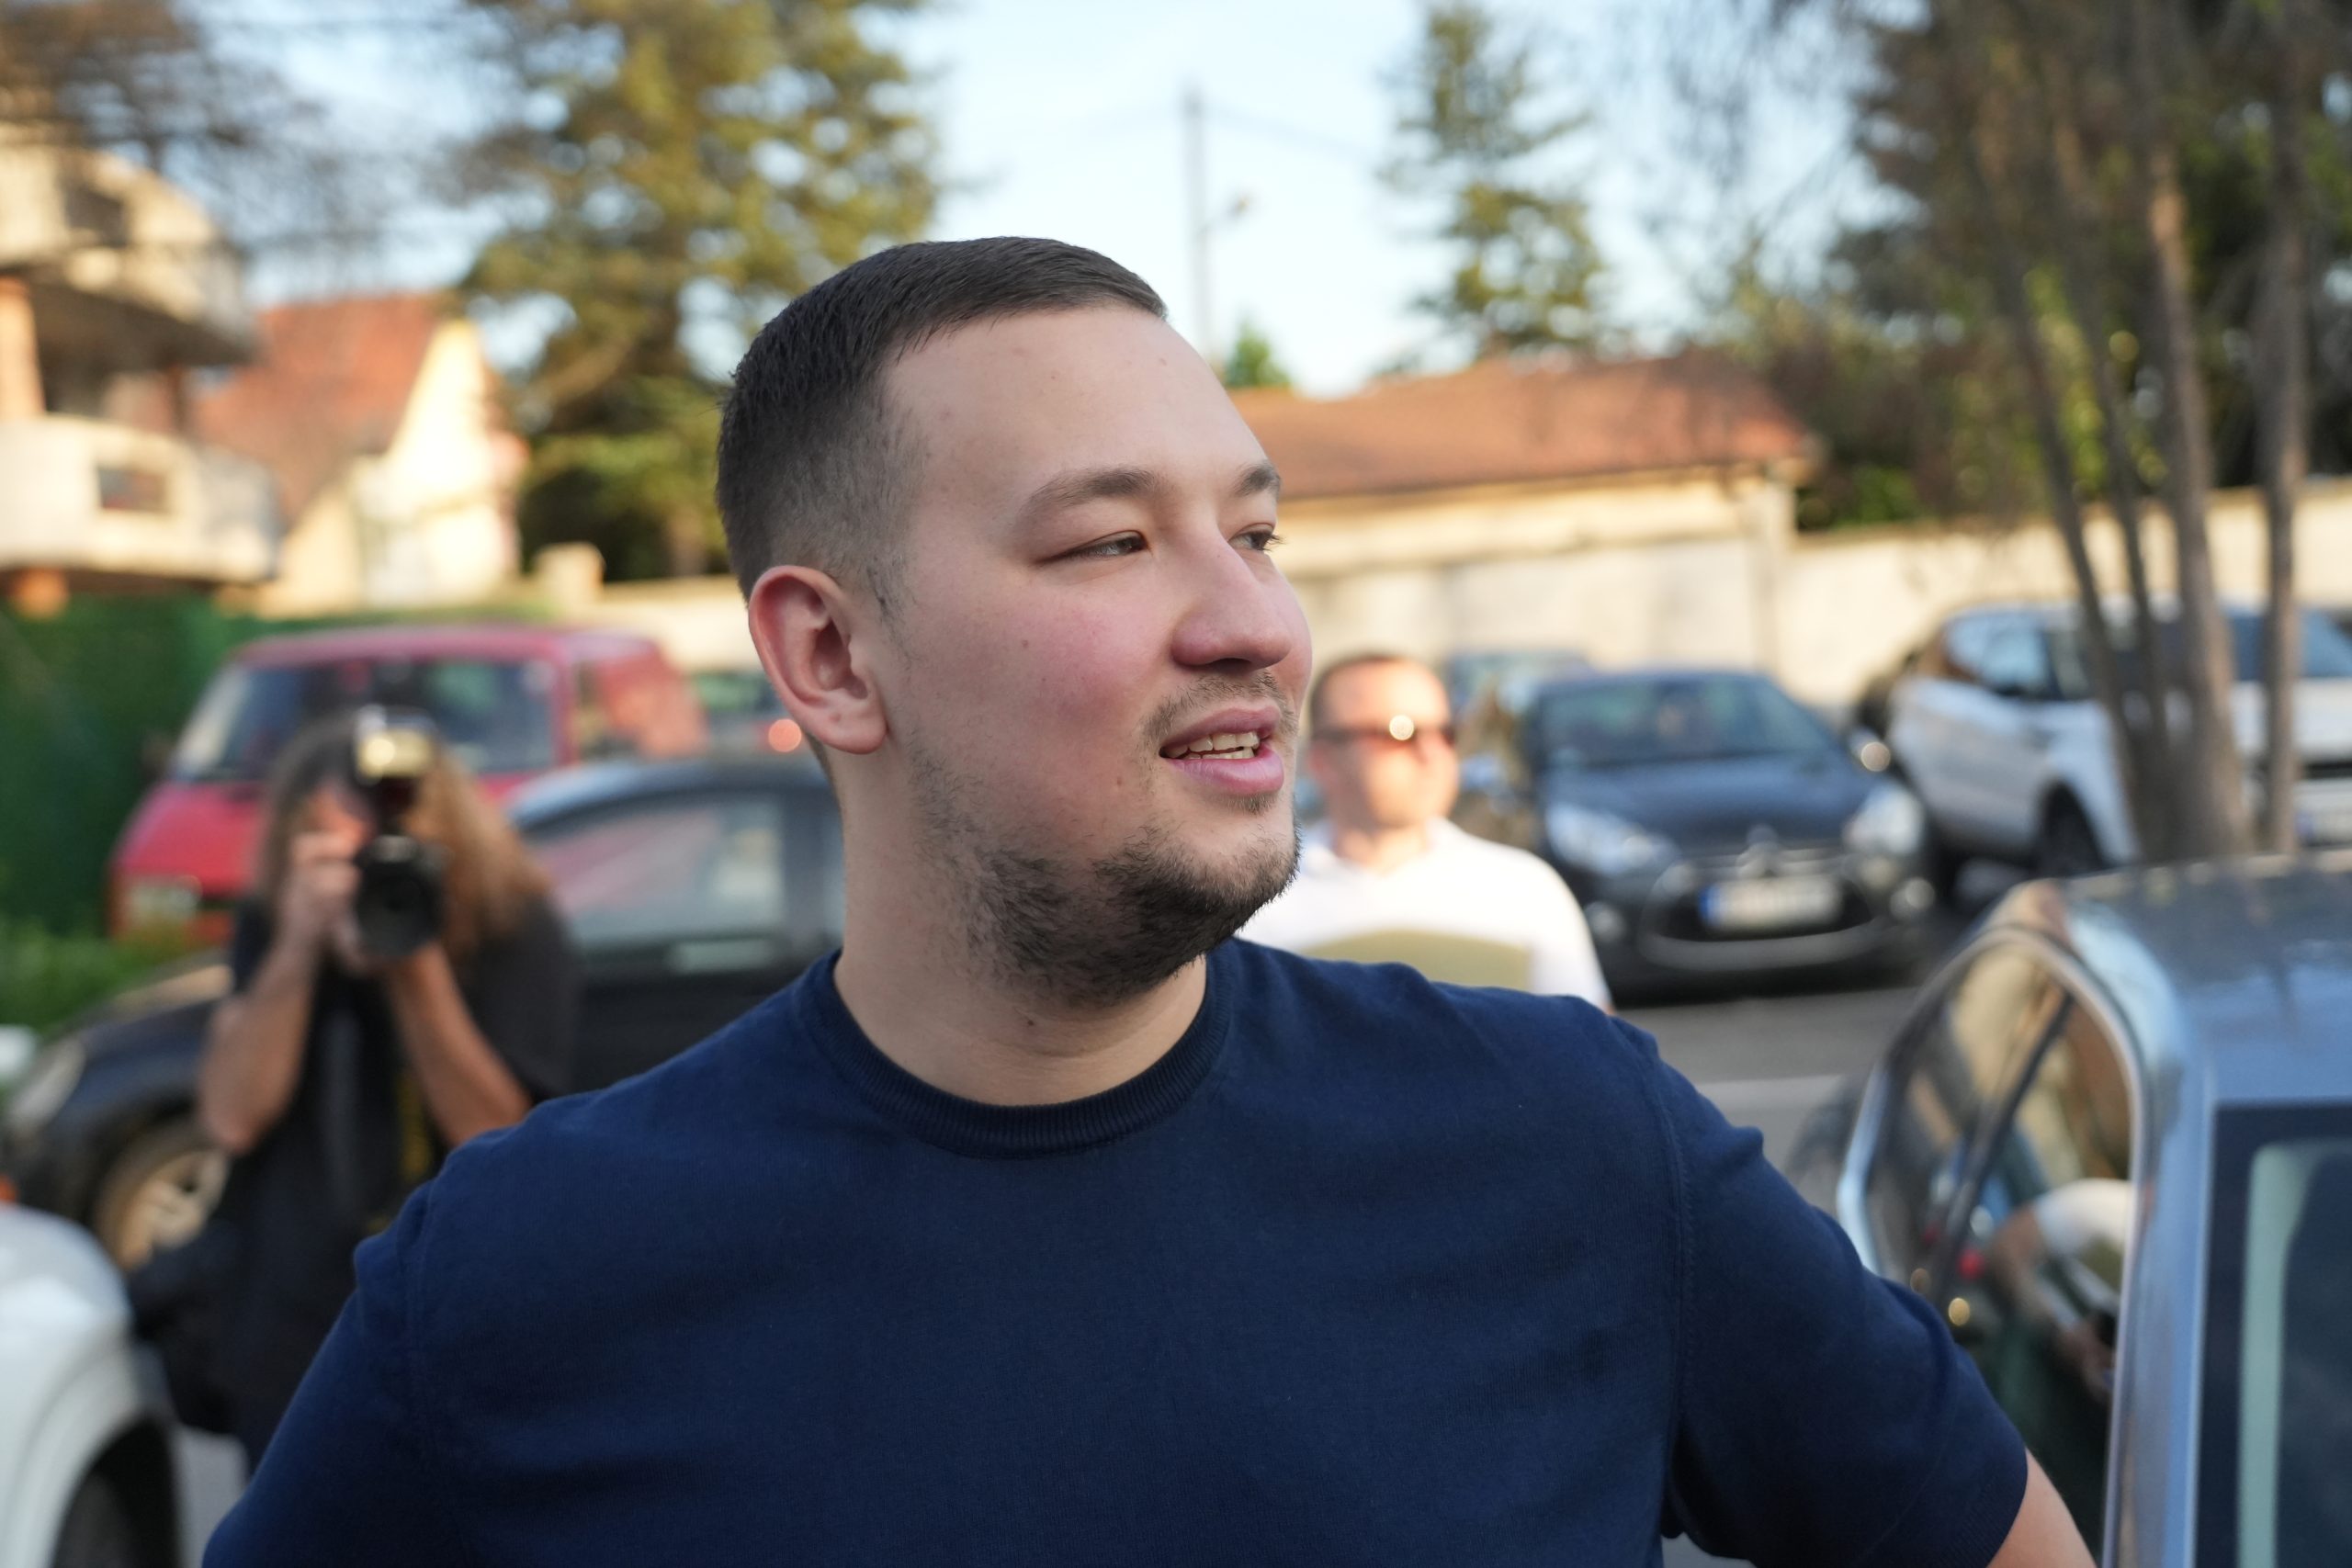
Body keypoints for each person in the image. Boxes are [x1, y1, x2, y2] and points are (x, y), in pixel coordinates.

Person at [209, 239, 2091, 1567]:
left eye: (1255, 532)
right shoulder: (522, 1279)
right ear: (832, 656)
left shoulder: (1569, 1144)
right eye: (1112, 539)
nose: (1254, 619)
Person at [193, 709, 575, 1463]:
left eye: (389, 845)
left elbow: (495, 1135)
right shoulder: (280, 921)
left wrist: (412, 959)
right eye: (347, 849)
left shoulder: (512, 922)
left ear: (447, 834)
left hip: (456, 1322)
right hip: (292, 1330)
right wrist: (297, 947)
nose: (373, 869)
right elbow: (231, 1118)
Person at [1241, 651, 1611, 1003]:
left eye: (1447, 733)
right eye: (1401, 732)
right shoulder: (1256, 904)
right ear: (1324, 760)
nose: (1432, 753)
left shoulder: (1525, 889)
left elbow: (1588, 1040)